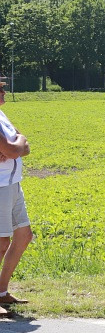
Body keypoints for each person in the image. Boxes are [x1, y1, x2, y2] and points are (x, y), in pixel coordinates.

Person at [0, 77, 32, 308]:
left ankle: (1, 292)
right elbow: (13, 149)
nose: (4, 91)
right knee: (1, 242)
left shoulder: (2, 116)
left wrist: (17, 145)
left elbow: (24, 145)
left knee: (23, 236)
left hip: (12, 184)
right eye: (0, 88)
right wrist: (16, 147)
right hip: (0, 186)